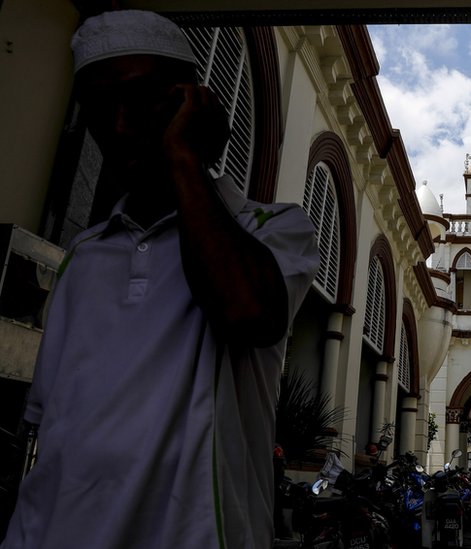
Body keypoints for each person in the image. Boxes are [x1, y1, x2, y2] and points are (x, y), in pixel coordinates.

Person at [1, 10, 318, 549]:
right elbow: (51, 424)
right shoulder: (85, 253)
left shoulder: (271, 229)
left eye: (142, 99)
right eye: (102, 110)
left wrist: (183, 160)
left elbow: (246, 312)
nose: (121, 127)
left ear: (190, 105)